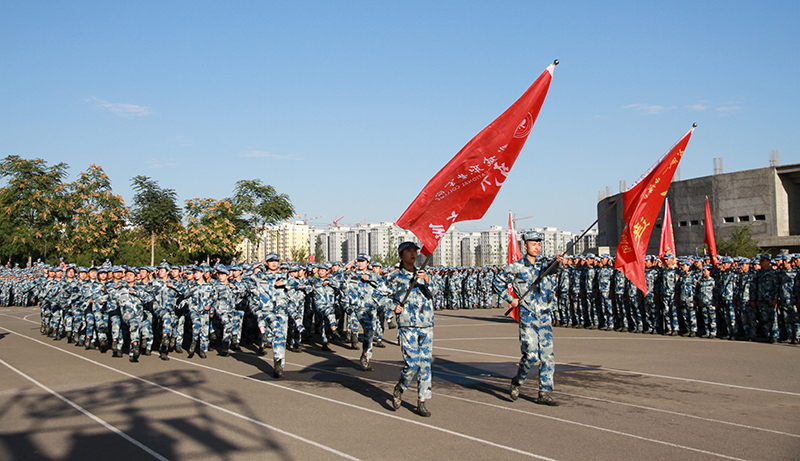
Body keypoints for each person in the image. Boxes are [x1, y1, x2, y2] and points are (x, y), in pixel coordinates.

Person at [496, 230, 562, 406]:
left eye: (539, 244)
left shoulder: (545, 264)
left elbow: (556, 268)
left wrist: (558, 261)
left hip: (545, 315)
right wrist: (511, 299)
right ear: (525, 246)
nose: (537, 247)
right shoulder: (516, 267)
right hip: (528, 316)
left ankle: (544, 392)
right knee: (531, 355)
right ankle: (518, 380)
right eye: (533, 244)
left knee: (547, 356)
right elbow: (497, 282)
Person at [386, 241, 436, 417]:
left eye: (415, 250)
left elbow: (435, 293)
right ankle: (401, 386)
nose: (413, 254)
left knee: (425, 365)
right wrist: (393, 306)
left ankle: (422, 401)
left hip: (426, 324)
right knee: (412, 364)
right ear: (401, 255)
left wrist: (427, 280)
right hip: (407, 325)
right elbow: (379, 296)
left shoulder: (423, 274)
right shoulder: (393, 277)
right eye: (408, 251)